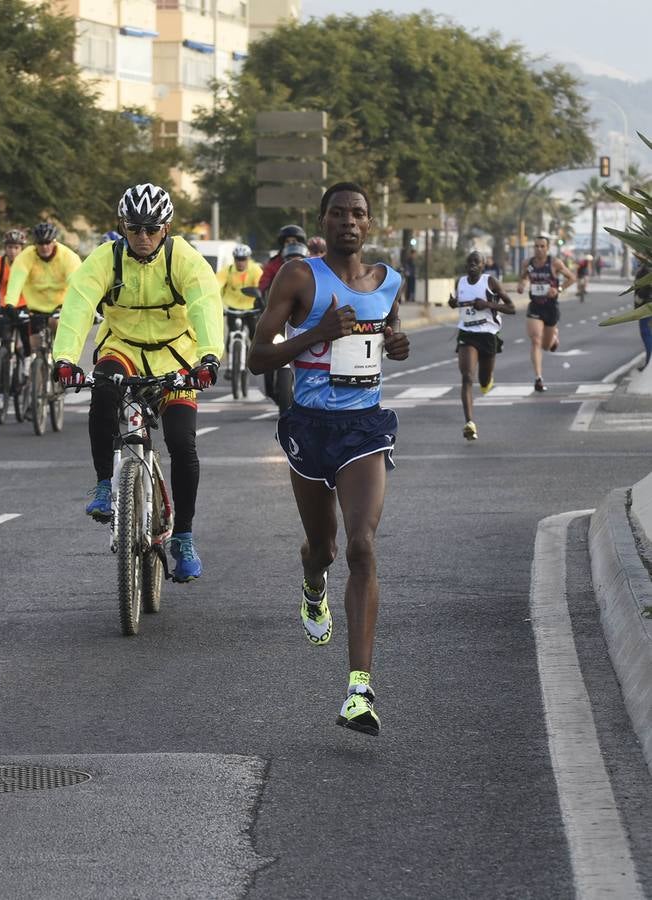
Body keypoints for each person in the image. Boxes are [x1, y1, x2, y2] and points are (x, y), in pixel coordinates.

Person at [247, 181, 410, 736]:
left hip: (364, 427)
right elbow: (257, 356)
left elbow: (384, 329)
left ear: (370, 223)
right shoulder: (300, 276)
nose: (348, 221)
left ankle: (358, 692)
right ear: (323, 220)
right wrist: (314, 332)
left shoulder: (389, 281)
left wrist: (394, 341)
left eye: (358, 213)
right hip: (310, 426)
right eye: (338, 213)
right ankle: (313, 585)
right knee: (324, 546)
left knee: (362, 546)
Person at [51, 183, 222, 582]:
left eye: (151, 229)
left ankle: (183, 537)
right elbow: (77, 306)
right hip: (123, 348)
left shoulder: (185, 259)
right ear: (123, 227)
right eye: (134, 228)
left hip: (176, 355)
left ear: (166, 228)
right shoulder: (104, 259)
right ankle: (103, 484)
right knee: (104, 390)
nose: (142, 237)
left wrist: (210, 356)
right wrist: (64, 358)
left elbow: (204, 305)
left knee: (182, 443)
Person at [447, 250, 515, 441]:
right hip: (467, 333)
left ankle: (487, 381)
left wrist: (488, 305)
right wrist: (453, 303)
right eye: (469, 262)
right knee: (467, 376)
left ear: (484, 265)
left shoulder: (490, 282)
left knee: (484, 380)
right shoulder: (459, 282)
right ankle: (469, 423)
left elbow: (511, 308)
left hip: (487, 334)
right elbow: (459, 303)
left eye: (476, 262)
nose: (472, 265)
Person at [2, 222, 81, 362]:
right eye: (40, 243)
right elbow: (16, 281)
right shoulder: (26, 257)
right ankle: (34, 372)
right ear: (35, 243)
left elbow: (77, 283)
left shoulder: (68, 257)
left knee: (55, 324)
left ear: (54, 242)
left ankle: (62, 358)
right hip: (36, 307)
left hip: (60, 304)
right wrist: (10, 304)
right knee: (34, 345)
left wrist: (80, 306)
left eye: (47, 242)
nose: (44, 247)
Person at [516, 234, 574, 392]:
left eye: (542, 246)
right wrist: (521, 285)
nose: (539, 249)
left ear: (547, 248)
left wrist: (558, 289)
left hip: (550, 307)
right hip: (535, 306)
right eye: (536, 246)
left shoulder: (554, 263)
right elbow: (523, 278)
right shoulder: (528, 263)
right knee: (535, 340)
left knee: (546, 346)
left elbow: (571, 278)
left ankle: (554, 337)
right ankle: (538, 378)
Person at [218, 243, 264, 344]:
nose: (240, 262)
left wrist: (258, 296)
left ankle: (254, 356)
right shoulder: (228, 270)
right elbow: (217, 283)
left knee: (254, 336)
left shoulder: (255, 270)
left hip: (250, 307)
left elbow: (260, 287)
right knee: (231, 335)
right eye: (238, 259)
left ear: (248, 258)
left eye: (243, 259)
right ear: (234, 259)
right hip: (232, 307)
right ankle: (232, 357)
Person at [258, 224, 308, 296]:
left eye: (294, 241)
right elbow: (264, 281)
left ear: (300, 243)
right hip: (280, 301)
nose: (291, 244)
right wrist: (261, 293)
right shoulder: (274, 263)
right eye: (287, 241)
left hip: (306, 302)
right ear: (283, 243)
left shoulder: (309, 261)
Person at [634, 255, 652, 371]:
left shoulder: (646, 269)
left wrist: (640, 298)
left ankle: (649, 364)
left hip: (646, 306)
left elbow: (646, 287)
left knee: (646, 334)